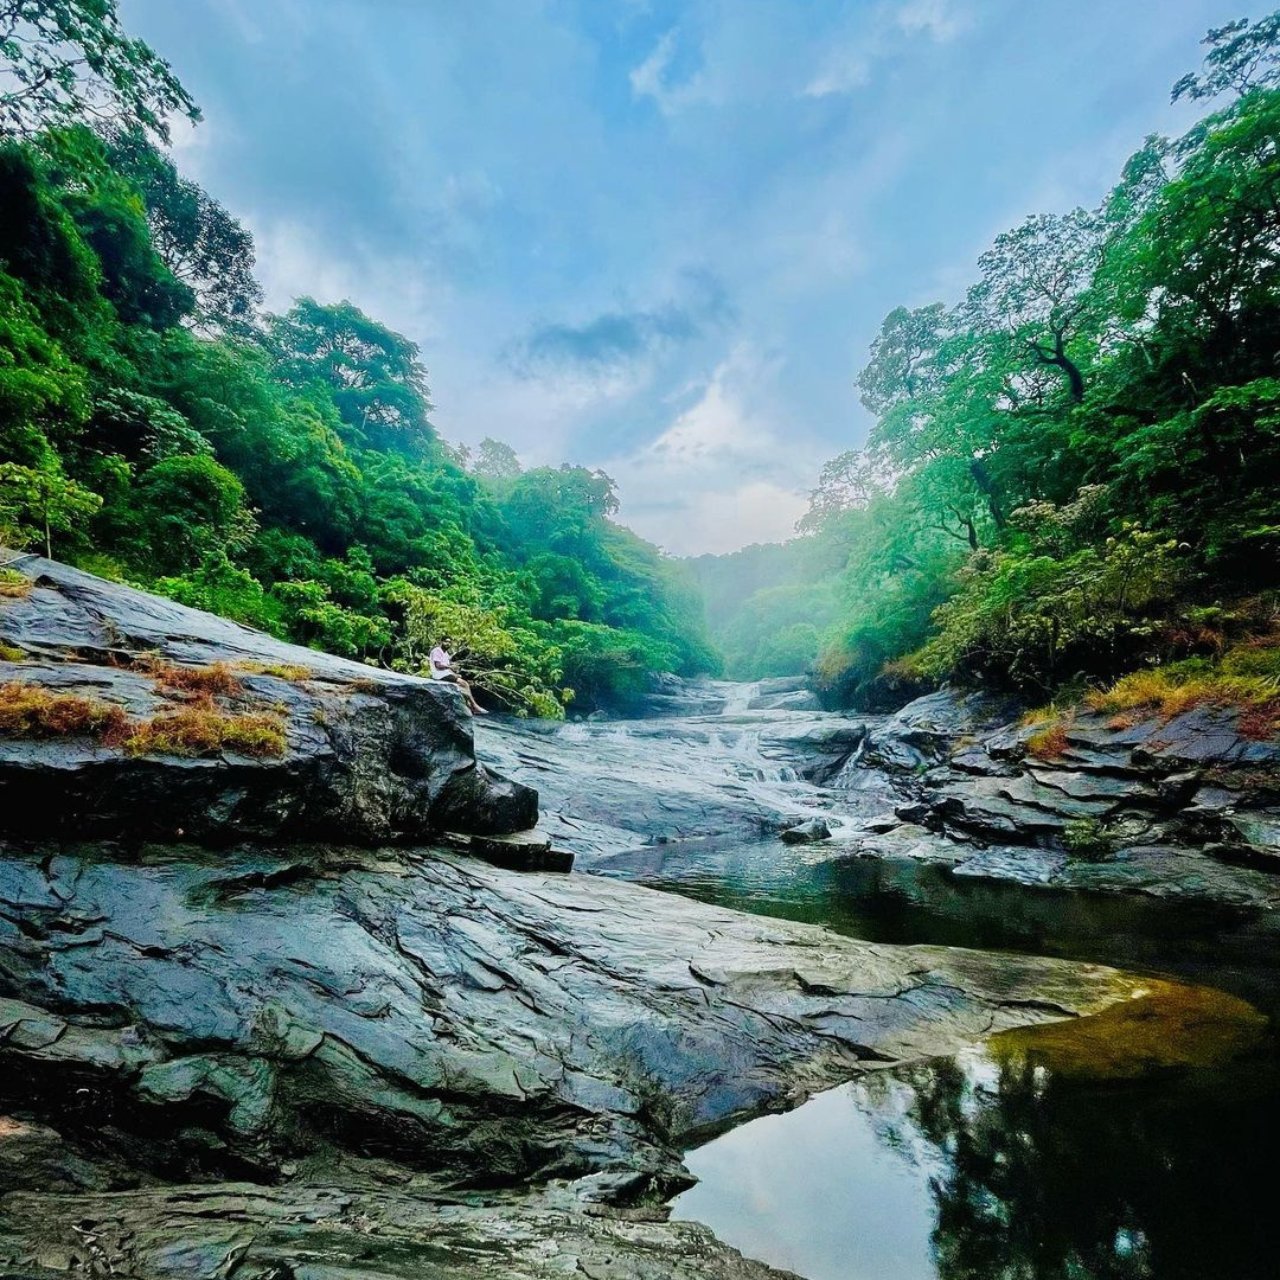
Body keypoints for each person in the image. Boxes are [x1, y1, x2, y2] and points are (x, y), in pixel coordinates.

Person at [428, 637, 486, 714]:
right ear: (441, 642)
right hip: (439, 675)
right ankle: (474, 705)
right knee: (464, 683)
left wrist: (454, 674)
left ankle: (469, 705)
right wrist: (450, 667)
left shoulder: (446, 653)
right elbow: (438, 666)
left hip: (444, 674)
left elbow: (447, 668)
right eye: (446, 641)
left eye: (449, 642)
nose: (447, 644)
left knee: (463, 685)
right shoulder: (437, 651)